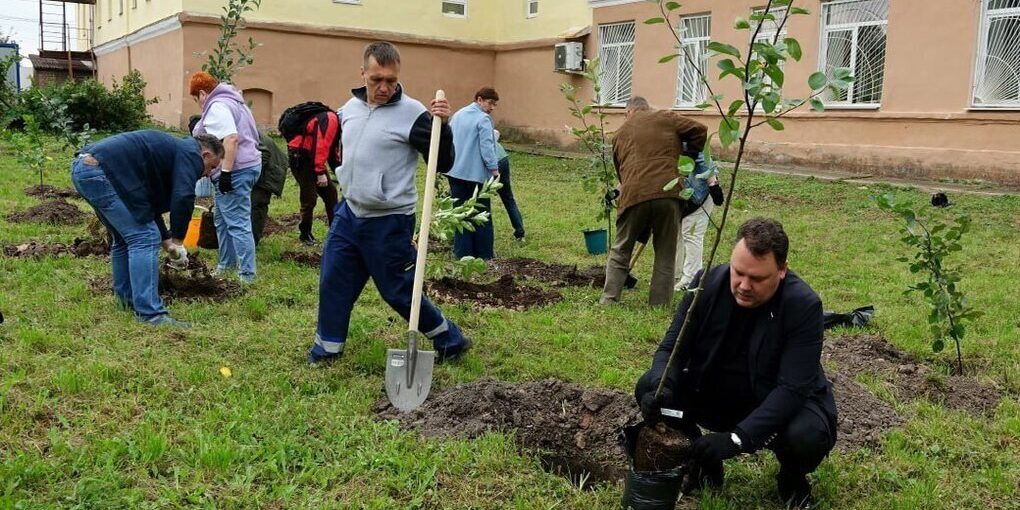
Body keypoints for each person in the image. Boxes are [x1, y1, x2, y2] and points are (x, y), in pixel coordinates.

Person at [635, 217, 837, 508]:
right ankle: (702, 458)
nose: (743, 285)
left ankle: (791, 477)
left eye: (757, 278)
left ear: (782, 270)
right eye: (738, 272)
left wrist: (737, 439)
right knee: (648, 388)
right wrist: (660, 386)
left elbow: (792, 389)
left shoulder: (803, 306)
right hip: (712, 393)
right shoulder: (706, 285)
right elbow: (672, 349)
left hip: (771, 402)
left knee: (807, 436)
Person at [307, 41, 472, 365]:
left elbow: (443, 162)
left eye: (391, 81)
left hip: (389, 219)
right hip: (349, 211)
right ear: (363, 73)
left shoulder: (413, 114)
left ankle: (449, 340)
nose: (383, 87)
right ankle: (327, 348)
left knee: (397, 289)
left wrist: (445, 128)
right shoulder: (349, 109)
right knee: (333, 280)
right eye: (376, 80)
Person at [70, 130, 224, 327]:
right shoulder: (190, 153)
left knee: (125, 240)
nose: (209, 173)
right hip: (102, 172)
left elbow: (146, 207)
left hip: (86, 169)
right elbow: (183, 196)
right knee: (144, 238)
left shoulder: (172, 152)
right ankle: (151, 314)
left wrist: (168, 243)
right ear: (206, 155)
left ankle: (126, 302)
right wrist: (178, 241)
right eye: (212, 167)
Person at [600, 96, 706, 307]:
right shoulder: (665, 117)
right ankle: (659, 304)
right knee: (665, 251)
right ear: (646, 108)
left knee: (621, 249)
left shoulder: (619, 134)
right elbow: (700, 130)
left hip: (633, 195)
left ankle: (609, 299)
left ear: (628, 112)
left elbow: (620, 171)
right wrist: (688, 156)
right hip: (668, 194)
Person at [189, 71, 262, 283]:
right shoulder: (235, 101)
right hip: (248, 165)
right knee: (222, 219)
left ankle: (247, 275)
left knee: (237, 222)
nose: (199, 105)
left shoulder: (217, 106)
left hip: (236, 169)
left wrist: (227, 174)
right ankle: (226, 265)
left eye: (196, 100)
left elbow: (231, 139)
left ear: (202, 93)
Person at [190, 115, 287, 245]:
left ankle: (251, 244)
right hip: (258, 163)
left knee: (257, 204)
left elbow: (263, 154)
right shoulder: (219, 134)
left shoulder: (230, 133)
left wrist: (243, 180)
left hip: (269, 167)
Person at [446, 87, 500, 260]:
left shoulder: (459, 115)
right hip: (476, 176)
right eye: (490, 103)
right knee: (481, 215)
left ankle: (462, 253)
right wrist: (494, 168)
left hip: (455, 172)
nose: (492, 108)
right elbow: (487, 147)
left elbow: (450, 139)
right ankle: (484, 254)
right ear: (479, 99)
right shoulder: (484, 119)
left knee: (460, 214)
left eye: (494, 105)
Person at [286, 107, 341, 245]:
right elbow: (321, 145)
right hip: (300, 157)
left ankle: (337, 233)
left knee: (331, 194)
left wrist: (342, 174)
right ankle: (305, 234)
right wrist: (320, 172)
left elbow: (332, 151)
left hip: (311, 157)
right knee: (309, 198)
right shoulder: (331, 120)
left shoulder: (335, 122)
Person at [675, 152, 725, 291]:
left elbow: (703, 160)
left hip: (700, 194)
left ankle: (691, 279)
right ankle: (674, 275)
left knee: (691, 234)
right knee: (677, 232)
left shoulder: (688, 138)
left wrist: (713, 184)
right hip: (684, 194)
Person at [493, 129, 526, 243]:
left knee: (479, 199)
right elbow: (496, 133)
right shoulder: (481, 119)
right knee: (508, 198)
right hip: (502, 157)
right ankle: (520, 233)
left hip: (491, 162)